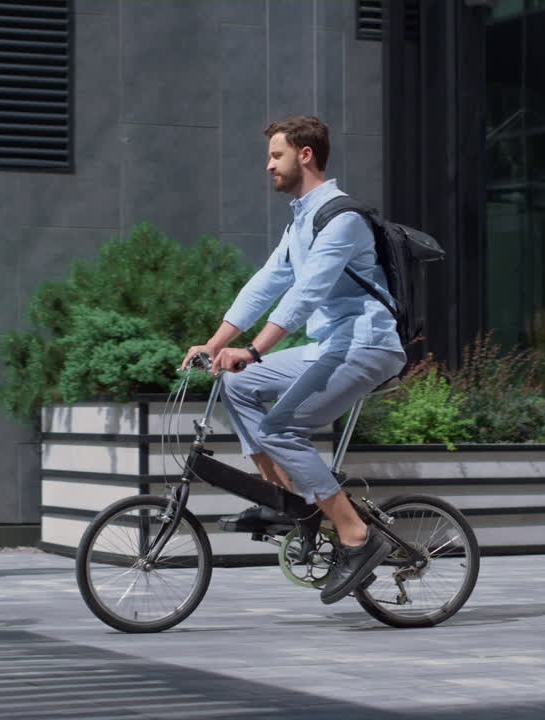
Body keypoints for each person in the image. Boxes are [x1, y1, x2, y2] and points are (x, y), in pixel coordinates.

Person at [182, 116, 406, 605]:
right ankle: (283, 498)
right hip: (329, 346)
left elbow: (306, 294)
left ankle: (356, 536)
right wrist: (216, 343)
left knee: (280, 428)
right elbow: (266, 283)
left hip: (367, 345)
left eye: (275, 155)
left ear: (305, 155)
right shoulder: (301, 220)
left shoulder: (342, 219)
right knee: (239, 384)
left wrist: (254, 350)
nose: (268, 166)